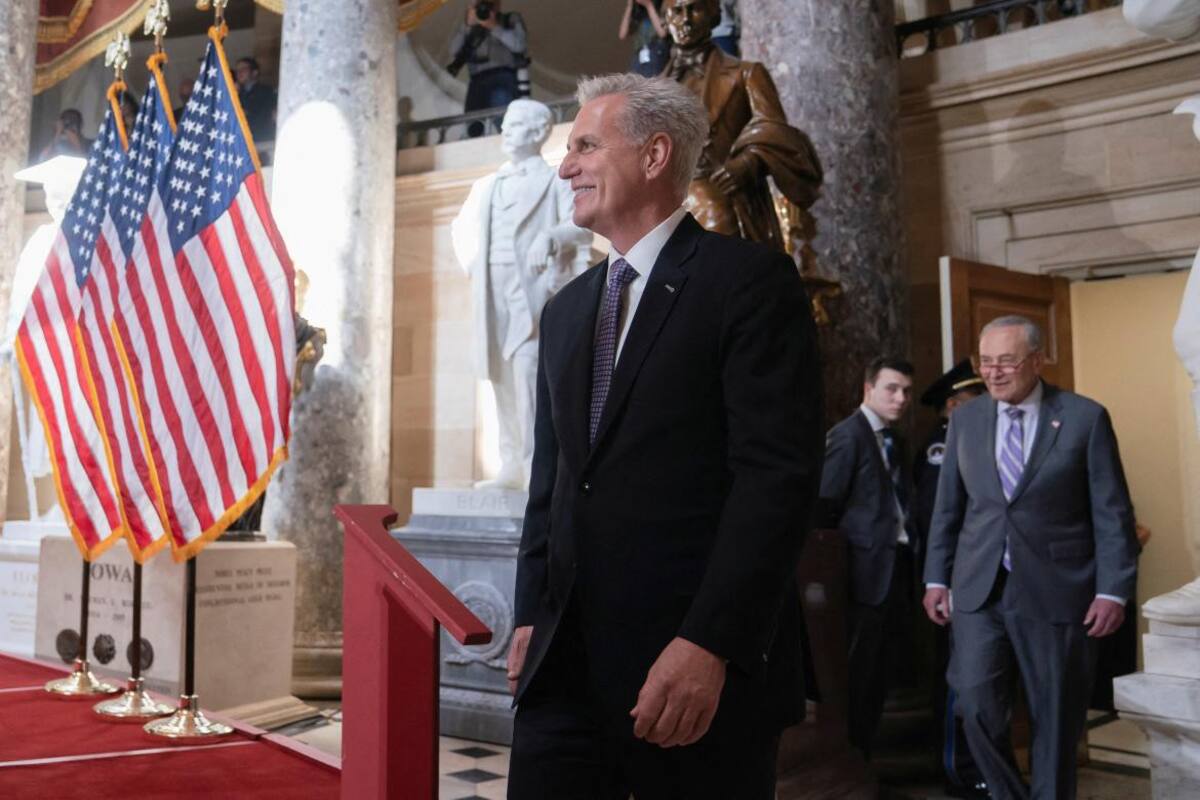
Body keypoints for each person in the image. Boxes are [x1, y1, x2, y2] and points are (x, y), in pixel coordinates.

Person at [505, 72, 822, 797]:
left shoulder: (748, 283)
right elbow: (550, 486)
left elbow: (775, 480)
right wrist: (530, 614)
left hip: (689, 674)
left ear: (653, 156)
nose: (565, 167)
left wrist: (711, 642)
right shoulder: (565, 310)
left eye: (586, 144)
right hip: (564, 675)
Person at [923, 315, 1139, 800]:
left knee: (1057, 719)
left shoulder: (1085, 417)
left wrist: (1113, 589)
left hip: (1060, 590)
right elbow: (948, 509)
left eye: (1007, 361)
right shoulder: (966, 419)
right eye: (986, 362)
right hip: (980, 590)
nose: (994, 373)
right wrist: (936, 578)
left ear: (1037, 360)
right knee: (975, 705)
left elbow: (1112, 513)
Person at [450, 99, 592, 489]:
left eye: (513, 127)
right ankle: (510, 462)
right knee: (499, 376)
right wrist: (477, 266)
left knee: (530, 375)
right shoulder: (487, 186)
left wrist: (550, 236)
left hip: (534, 289)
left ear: (536, 133)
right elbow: (460, 230)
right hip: (492, 287)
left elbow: (581, 224)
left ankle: (537, 465)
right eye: (506, 126)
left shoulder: (554, 180)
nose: (506, 133)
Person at [660, 0, 821, 252]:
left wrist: (746, 164)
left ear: (714, 16)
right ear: (664, 20)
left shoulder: (745, 74)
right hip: (668, 211)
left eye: (695, 8)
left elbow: (776, 132)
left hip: (728, 203)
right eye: (677, 11)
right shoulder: (652, 90)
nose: (686, 19)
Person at [816, 357, 915, 760]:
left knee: (881, 677)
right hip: (859, 578)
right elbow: (825, 506)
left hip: (896, 571)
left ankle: (867, 763)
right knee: (857, 678)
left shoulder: (896, 440)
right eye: (892, 388)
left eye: (907, 391)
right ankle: (850, 764)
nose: (901, 398)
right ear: (868, 389)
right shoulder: (848, 435)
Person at [912, 359, 988, 799]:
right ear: (954, 406)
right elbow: (936, 519)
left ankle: (985, 768)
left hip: (984, 582)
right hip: (957, 584)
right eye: (976, 401)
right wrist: (945, 581)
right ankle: (958, 768)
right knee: (958, 681)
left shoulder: (976, 441)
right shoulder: (941, 447)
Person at [447, 0, 528, 117]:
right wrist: (466, 26)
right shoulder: (470, 26)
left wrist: (494, 26)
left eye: (489, 3)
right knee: (473, 127)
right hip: (476, 81)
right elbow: (453, 50)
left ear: (498, 4)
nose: (485, 8)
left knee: (505, 120)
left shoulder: (510, 19)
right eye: (480, 4)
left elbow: (520, 46)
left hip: (503, 77)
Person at [618, 0, 670, 77]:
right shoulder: (638, 16)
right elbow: (622, 35)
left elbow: (662, 33)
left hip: (656, 51)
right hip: (639, 56)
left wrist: (649, 5)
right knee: (634, 84)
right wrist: (630, 6)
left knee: (651, 84)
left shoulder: (662, 8)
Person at [233, 57, 277, 142]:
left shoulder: (266, 91)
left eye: (243, 69)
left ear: (254, 73)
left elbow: (259, 115)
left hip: (260, 140)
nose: (239, 73)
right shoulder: (237, 94)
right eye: (237, 70)